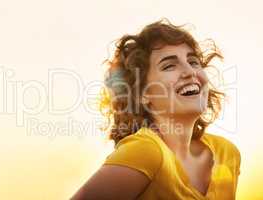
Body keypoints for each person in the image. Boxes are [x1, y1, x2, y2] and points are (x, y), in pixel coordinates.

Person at [71, 19, 241, 200]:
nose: (190, 71)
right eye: (169, 66)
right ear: (142, 94)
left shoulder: (226, 153)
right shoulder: (145, 151)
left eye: (193, 61)